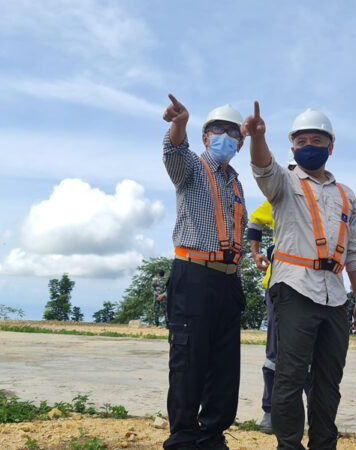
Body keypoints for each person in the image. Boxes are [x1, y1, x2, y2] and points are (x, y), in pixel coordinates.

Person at [244, 102, 356, 450]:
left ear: (331, 146)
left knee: (329, 380)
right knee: (290, 376)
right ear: (293, 147)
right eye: (301, 141)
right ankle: (289, 446)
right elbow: (262, 167)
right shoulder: (284, 182)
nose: (309, 146)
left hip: (335, 296)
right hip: (294, 289)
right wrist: (257, 137)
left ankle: (324, 445)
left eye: (317, 140)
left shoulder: (346, 195)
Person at [161, 95, 248, 450]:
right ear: (204, 136)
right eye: (217, 129)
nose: (225, 136)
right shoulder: (193, 168)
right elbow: (173, 153)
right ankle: (183, 439)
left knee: (224, 366)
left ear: (241, 143)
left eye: (232, 132)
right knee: (189, 360)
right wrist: (178, 124)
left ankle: (212, 437)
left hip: (228, 280)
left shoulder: (236, 184)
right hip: (193, 275)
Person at [247, 151, 311, 435]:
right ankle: (270, 411)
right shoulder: (277, 198)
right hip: (279, 286)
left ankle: (316, 413)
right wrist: (255, 252)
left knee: (311, 352)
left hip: (313, 286)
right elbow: (254, 221)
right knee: (275, 350)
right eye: (292, 170)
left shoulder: (323, 199)